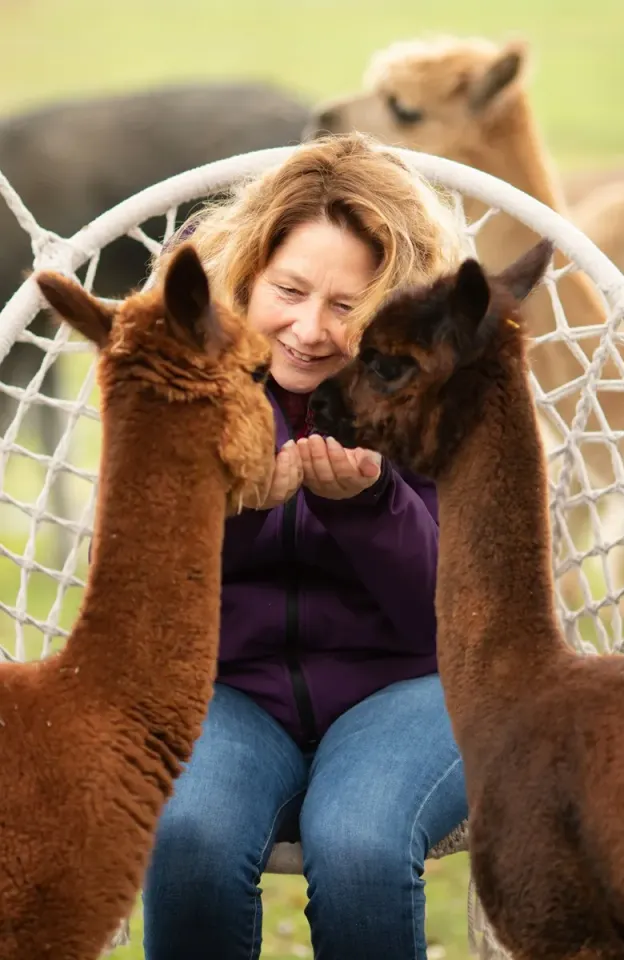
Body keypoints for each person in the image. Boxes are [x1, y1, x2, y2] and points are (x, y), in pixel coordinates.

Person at [143, 132, 470, 960]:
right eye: (289, 290)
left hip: (409, 692)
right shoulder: (183, 380)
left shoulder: (440, 393)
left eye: (348, 306)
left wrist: (371, 506)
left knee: (359, 845)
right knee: (189, 835)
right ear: (249, 274)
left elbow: (460, 614)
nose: (310, 330)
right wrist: (241, 500)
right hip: (227, 689)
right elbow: (141, 586)